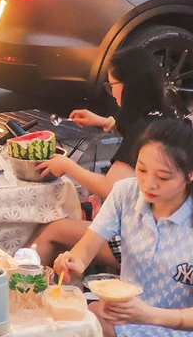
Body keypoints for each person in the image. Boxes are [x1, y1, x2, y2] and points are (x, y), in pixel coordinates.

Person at [54, 117, 193, 337]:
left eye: (163, 177)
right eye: (141, 170)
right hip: (128, 322)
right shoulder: (125, 193)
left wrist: (147, 315)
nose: (148, 184)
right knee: (83, 316)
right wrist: (73, 261)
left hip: (183, 331)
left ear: (192, 174)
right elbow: (86, 248)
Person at [34, 47, 170, 264]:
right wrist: (105, 122)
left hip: (141, 240)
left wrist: (67, 166)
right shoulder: (168, 117)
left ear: (128, 87)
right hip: (163, 230)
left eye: (112, 86)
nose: (112, 92)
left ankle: (20, 290)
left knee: (50, 230)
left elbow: (111, 187)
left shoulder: (142, 134)